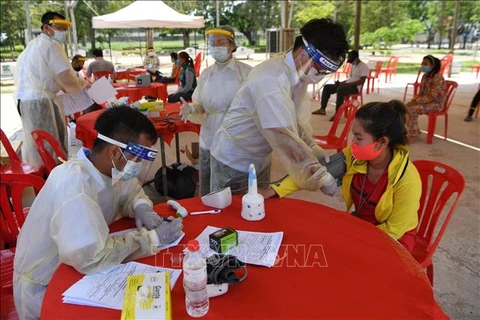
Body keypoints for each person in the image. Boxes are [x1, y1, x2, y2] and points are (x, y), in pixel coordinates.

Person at [13, 106, 184, 319]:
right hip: (44, 286)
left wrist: (142, 207)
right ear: (114, 152)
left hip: (75, 270)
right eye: (137, 159)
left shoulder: (108, 169)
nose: (138, 166)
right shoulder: (74, 184)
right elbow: (91, 257)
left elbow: (130, 192)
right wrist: (153, 238)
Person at [209, 18, 349, 195]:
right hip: (233, 160)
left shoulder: (297, 75)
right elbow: (283, 135)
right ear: (303, 54)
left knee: (259, 208)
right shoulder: (269, 80)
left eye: (325, 72)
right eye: (319, 68)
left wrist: (311, 146)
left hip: (260, 157)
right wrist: (318, 175)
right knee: (231, 218)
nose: (320, 75)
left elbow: (294, 120)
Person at [261, 100, 420, 253]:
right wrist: (276, 190)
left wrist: (352, 239)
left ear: (381, 142)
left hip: (394, 239)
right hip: (364, 226)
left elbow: (394, 230)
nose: (352, 143)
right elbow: (316, 172)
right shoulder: (354, 156)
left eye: (358, 138)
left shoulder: (407, 179)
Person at [179, 26, 253, 196]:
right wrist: (190, 108)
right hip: (210, 136)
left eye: (221, 43)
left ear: (232, 46)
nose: (215, 47)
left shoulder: (246, 73)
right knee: (208, 185)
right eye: (213, 43)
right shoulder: (206, 74)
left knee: (234, 189)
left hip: (236, 139)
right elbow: (201, 104)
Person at [14, 11, 90, 168]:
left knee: (37, 144)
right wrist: (83, 83)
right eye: (59, 27)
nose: (63, 32)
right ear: (47, 27)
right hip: (41, 102)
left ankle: (41, 173)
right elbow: (67, 78)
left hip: (25, 101)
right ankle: (54, 176)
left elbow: (52, 77)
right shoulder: (51, 45)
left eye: (65, 28)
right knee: (52, 144)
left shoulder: (33, 46)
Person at [312, 50, 369, 121]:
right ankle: (322, 109)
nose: (349, 60)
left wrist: (346, 84)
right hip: (347, 85)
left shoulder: (363, 67)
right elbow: (350, 78)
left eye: (350, 58)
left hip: (355, 88)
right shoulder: (353, 66)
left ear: (356, 58)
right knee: (327, 87)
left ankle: (337, 114)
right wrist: (341, 83)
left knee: (340, 90)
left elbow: (362, 81)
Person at [406, 55, 446, 137]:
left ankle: (413, 134)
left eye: (425, 64)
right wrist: (415, 99)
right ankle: (412, 130)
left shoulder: (437, 78)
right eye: (422, 63)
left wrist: (417, 101)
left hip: (436, 104)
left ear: (432, 66)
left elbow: (432, 96)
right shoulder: (425, 76)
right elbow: (421, 93)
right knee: (405, 107)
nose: (422, 65)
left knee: (411, 109)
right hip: (426, 101)